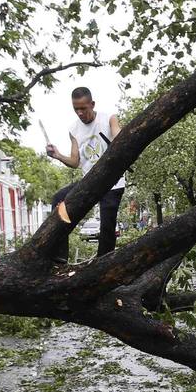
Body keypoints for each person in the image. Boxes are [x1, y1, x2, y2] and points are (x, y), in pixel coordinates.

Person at [46, 87, 125, 261]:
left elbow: (120, 136)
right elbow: (75, 162)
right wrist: (57, 155)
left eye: (83, 108)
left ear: (92, 104)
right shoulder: (74, 129)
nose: (80, 113)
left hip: (113, 181)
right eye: (76, 109)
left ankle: (103, 263)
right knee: (58, 200)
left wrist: (118, 137)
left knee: (107, 226)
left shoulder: (109, 118)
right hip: (90, 181)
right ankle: (60, 257)